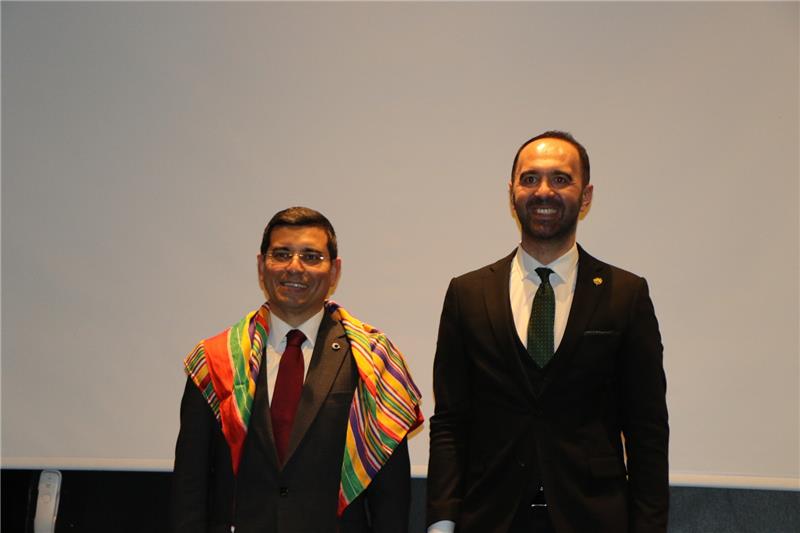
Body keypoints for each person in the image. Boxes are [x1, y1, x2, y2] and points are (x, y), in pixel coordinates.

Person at [426, 131, 669, 533]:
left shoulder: (626, 295)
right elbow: (450, 422)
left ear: (585, 196)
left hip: (593, 519)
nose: (543, 191)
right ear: (512, 193)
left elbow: (648, 431)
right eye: (530, 179)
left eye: (560, 179)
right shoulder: (467, 294)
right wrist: (441, 522)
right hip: (489, 517)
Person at [171, 206, 423, 533]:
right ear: (261, 266)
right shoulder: (215, 360)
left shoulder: (374, 361)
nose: (294, 267)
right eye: (281, 254)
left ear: (335, 271)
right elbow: (189, 492)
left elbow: (391, 501)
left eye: (311, 257)